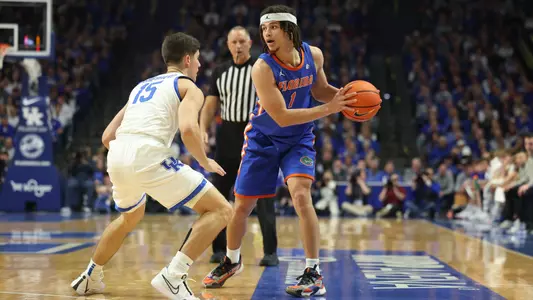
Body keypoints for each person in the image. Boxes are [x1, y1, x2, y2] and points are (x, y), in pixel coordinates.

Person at [202, 5, 358, 297]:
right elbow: (282, 116)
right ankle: (231, 260)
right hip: (263, 139)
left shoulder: (314, 55)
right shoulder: (262, 67)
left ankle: (314, 272)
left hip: (298, 140)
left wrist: (349, 99)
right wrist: (330, 109)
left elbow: (321, 89)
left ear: (289, 30)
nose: (267, 33)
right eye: (263, 28)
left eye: (273, 27)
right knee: (241, 207)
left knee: (301, 195)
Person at [70, 32, 233, 300]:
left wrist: (129, 160)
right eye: (199, 60)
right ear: (188, 59)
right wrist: (205, 161)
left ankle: (90, 275)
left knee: (128, 218)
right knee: (221, 210)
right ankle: (173, 276)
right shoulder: (188, 87)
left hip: (118, 154)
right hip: (147, 153)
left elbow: (107, 137)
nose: (200, 66)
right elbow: (189, 129)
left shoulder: (139, 87)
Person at [200, 26, 279, 266]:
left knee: (264, 196)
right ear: (227, 44)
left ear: (249, 43)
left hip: (257, 135)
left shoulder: (261, 68)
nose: (238, 46)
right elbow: (210, 104)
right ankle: (218, 249)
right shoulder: (220, 71)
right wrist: (203, 129)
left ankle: (270, 252)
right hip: (227, 138)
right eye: (233, 42)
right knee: (219, 196)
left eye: (242, 41)